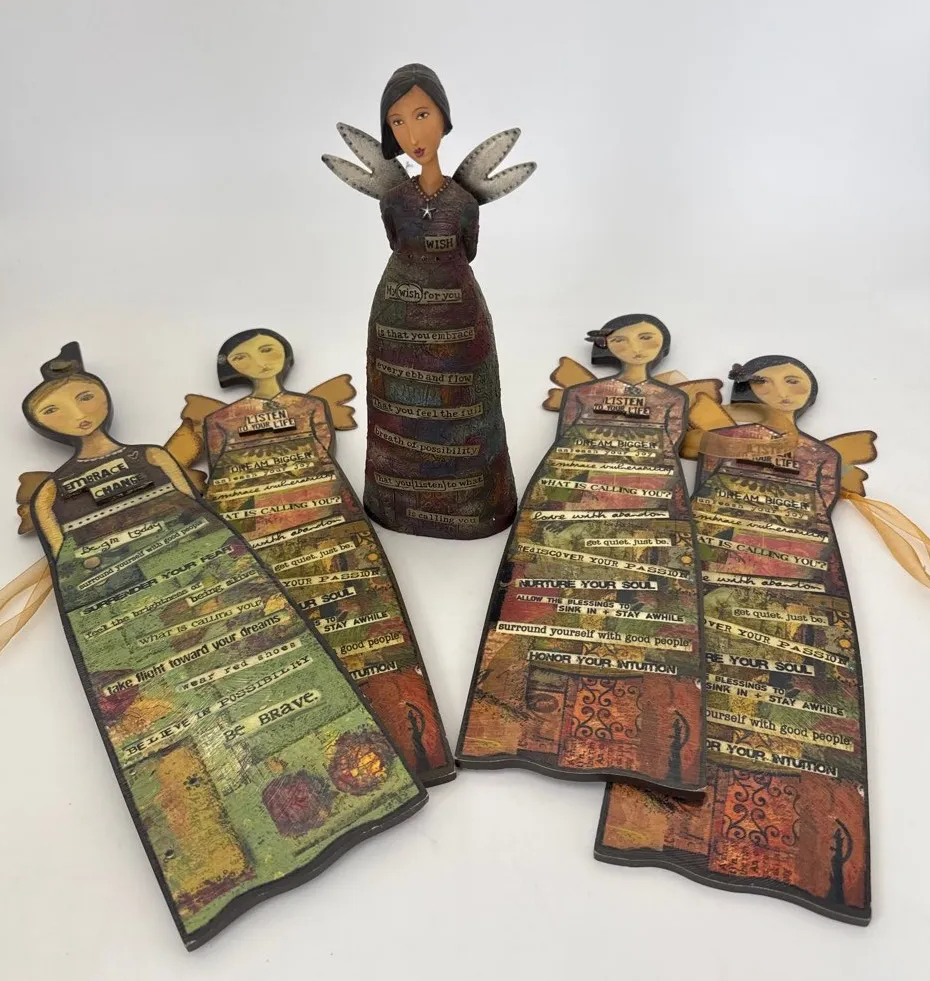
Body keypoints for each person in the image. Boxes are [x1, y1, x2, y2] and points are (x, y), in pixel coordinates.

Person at [22, 344, 426, 948]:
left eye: (85, 397)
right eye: (55, 410)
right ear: (43, 423)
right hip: (128, 611)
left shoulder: (151, 456)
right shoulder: (53, 491)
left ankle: (352, 796)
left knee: (273, 668)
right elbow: (62, 555)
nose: (78, 413)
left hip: (211, 577)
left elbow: (195, 507)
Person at [596, 355, 871, 925]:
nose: (785, 390)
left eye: (795, 381)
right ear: (750, 387)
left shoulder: (822, 456)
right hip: (719, 572)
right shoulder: (724, 441)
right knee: (701, 680)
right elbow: (708, 496)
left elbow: (818, 514)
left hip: (798, 585)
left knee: (795, 699)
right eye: (771, 380)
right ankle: (661, 824)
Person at [456, 315, 705, 792]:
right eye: (623, 339)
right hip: (576, 507)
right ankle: (515, 725)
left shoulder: (672, 399)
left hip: (646, 508)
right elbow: (567, 444)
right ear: (608, 345)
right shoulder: (583, 394)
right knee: (548, 601)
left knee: (633, 612)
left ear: (661, 346)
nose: (636, 347)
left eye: (647, 338)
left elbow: (668, 447)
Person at [199, 328, 455, 785]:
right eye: (243, 357)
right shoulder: (222, 419)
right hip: (261, 530)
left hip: (328, 518)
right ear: (231, 368)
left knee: (362, 618)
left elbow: (321, 453)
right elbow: (224, 476)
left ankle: (415, 747)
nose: (259, 362)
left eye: (267, 350)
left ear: (284, 355)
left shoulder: (311, 407)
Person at [323, 63, 535, 538]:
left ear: (444, 117)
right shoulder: (393, 200)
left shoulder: (464, 202)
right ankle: (397, 504)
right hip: (396, 316)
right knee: (397, 405)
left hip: (459, 314)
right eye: (398, 122)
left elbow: (466, 250)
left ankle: (473, 506)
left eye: (422, 115)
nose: (413, 134)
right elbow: (400, 243)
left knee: (468, 404)